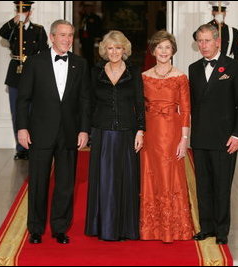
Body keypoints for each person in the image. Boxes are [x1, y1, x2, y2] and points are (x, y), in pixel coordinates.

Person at [16, 19, 91, 244]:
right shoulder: (35, 62)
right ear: (52, 37)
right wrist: (22, 128)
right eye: (62, 35)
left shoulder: (80, 63)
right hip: (40, 131)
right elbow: (23, 99)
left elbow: (85, 100)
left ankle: (60, 228)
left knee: (66, 183)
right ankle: (36, 229)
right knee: (38, 181)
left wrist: (84, 130)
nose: (67, 39)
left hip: (69, 132)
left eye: (70, 35)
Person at [189, 24, 238, 245]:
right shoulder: (193, 68)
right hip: (201, 137)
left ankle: (222, 231)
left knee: (222, 186)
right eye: (200, 41)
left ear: (217, 42)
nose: (203, 45)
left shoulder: (234, 67)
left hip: (225, 139)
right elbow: (192, 104)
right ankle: (206, 227)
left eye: (207, 41)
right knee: (203, 185)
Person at [85, 30, 145, 241]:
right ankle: (102, 226)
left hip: (127, 133)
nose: (114, 52)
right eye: (110, 48)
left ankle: (125, 227)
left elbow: (139, 103)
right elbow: (90, 104)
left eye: (118, 47)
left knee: (126, 180)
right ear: (104, 50)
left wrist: (140, 130)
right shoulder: (96, 72)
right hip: (102, 132)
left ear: (124, 49)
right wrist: (87, 130)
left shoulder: (134, 72)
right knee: (104, 180)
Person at [140, 30, 194, 243]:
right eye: (159, 47)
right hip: (150, 133)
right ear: (153, 50)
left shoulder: (180, 77)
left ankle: (174, 228)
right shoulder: (144, 77)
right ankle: (151, 228)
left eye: (167, 47)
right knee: (150, 175)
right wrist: (139, 133)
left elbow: (186, 110)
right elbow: (138, 108)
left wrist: (184, 139)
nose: (163, 51)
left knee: (170, 175)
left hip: (172, 133)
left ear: (173, 51)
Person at [0, 1, 48, 160]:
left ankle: (33, 144)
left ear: (30, 12)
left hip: (33, 73)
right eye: (20, 11)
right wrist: (14, 21)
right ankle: (21, 148)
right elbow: (2, 32)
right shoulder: (13, 29)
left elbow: (44, 54)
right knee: (17, 112)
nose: (23, 14)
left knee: (33, 112)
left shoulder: (39, 30)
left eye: (25, 11)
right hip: (16, 74)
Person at [79, 1, 102, 68]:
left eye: (89, 7)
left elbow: (98, 28)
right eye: (86, 7)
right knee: (85, 54)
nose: (87, 9)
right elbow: (81, 27)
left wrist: (97, 38)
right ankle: (86, 67)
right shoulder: (83, 17)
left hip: (92, 39)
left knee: (92, 55)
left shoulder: (95, 17)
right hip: (84, 39)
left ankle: (91, 67)